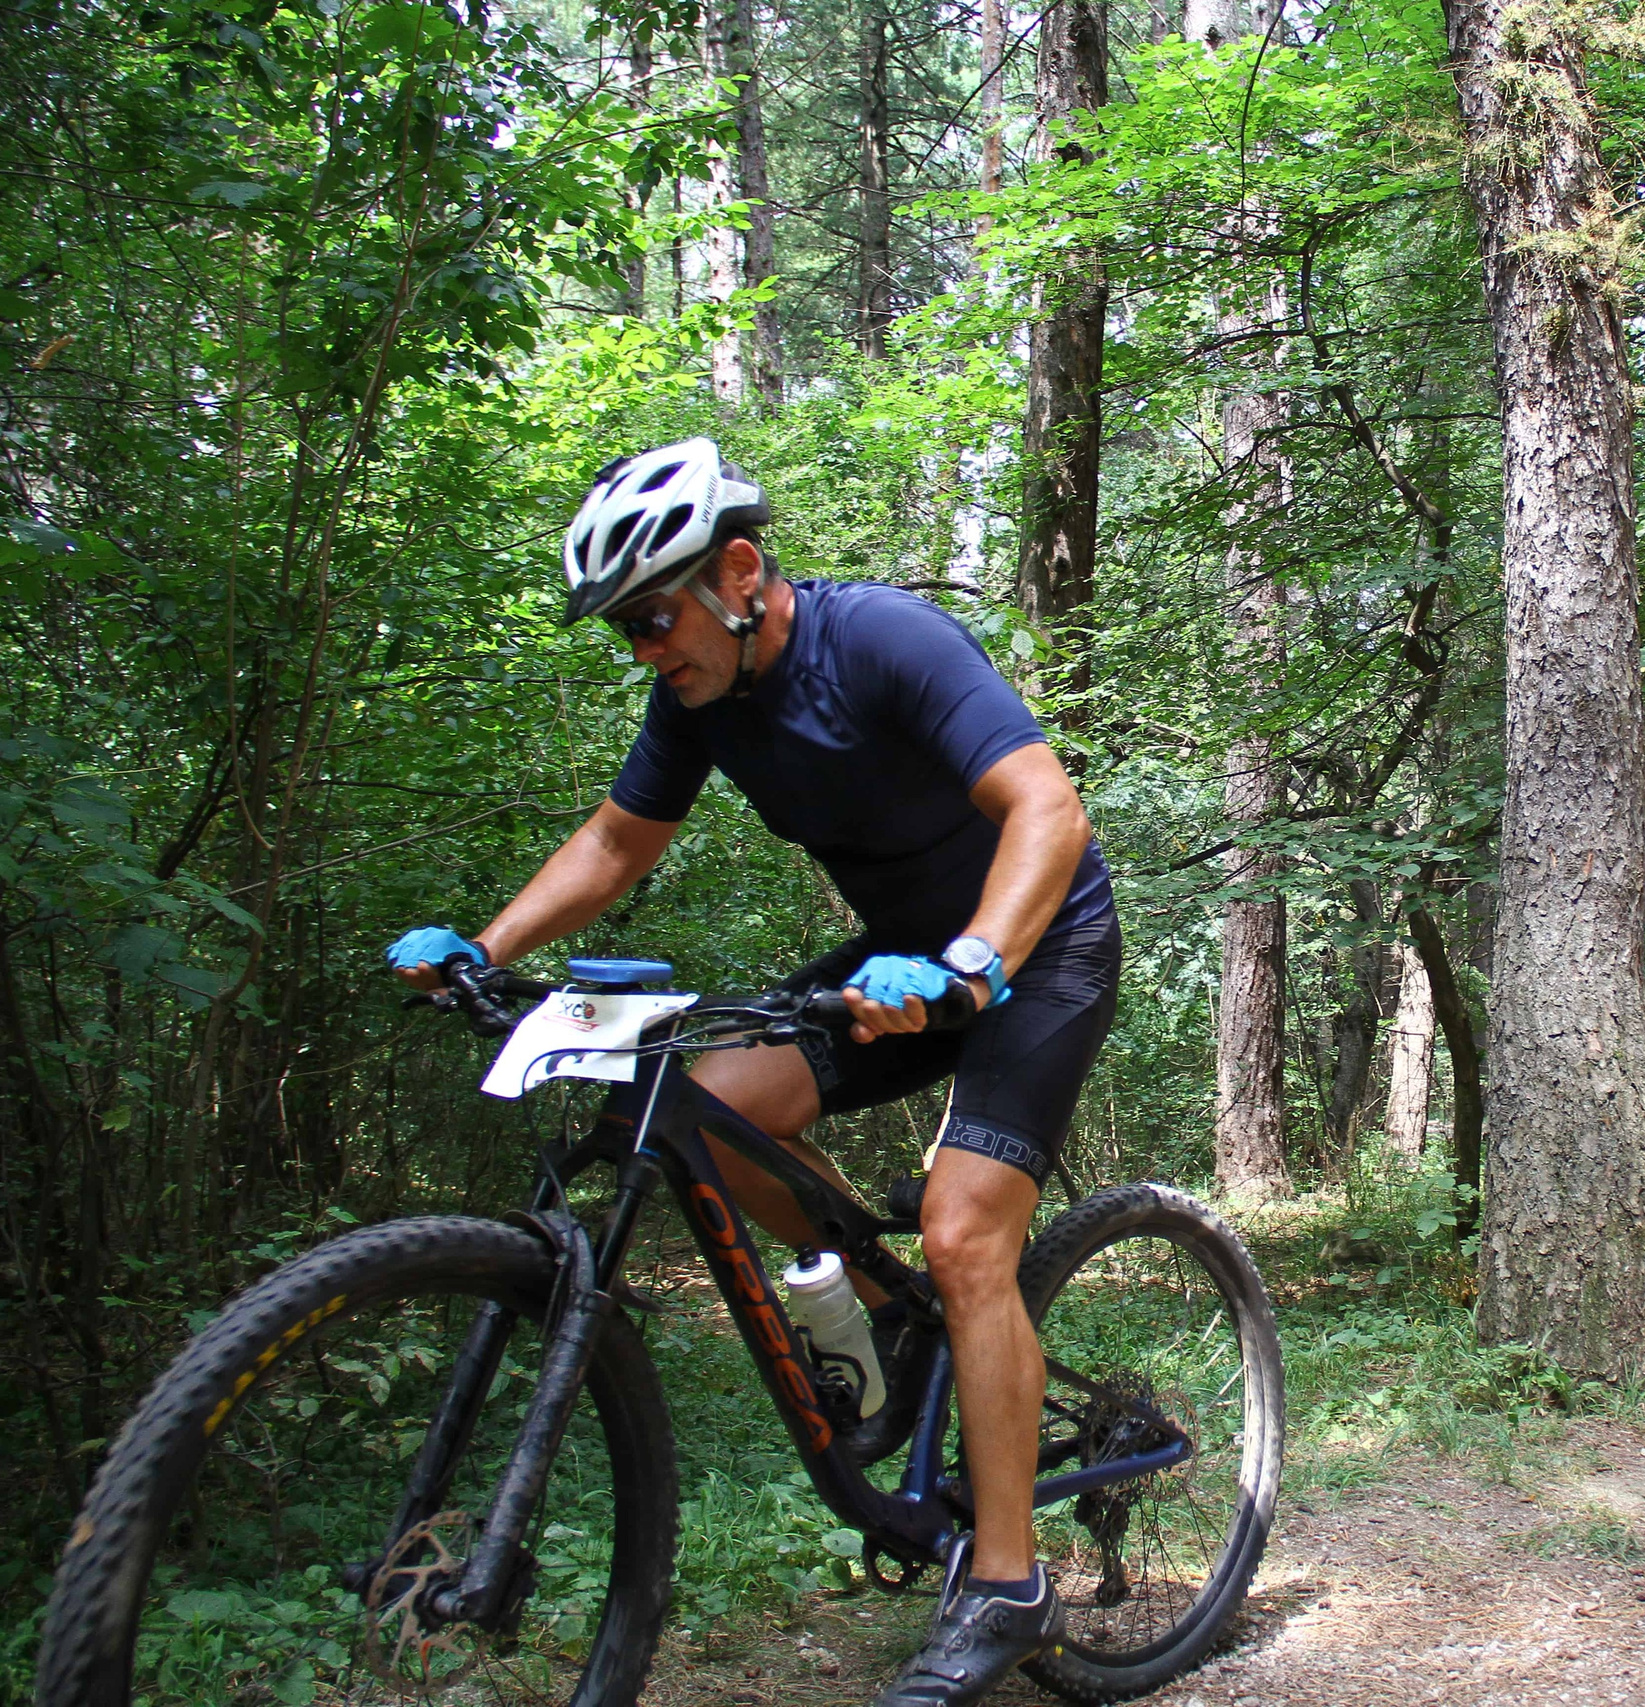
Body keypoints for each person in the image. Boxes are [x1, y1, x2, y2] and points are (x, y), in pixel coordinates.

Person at [386, 438, 1114, 1706]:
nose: (645, 650)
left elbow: (1048, 810)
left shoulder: (884, 640)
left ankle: (1009, 1585)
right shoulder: (696, 701)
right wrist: (485, 945)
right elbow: (619, 841)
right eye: (625, 632)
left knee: (966, 1232)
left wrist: (975, 965)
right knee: (705, 1113)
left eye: (653, 618)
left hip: (1034, 950)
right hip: (896, 967)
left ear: (737, 571)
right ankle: (888, 1311)